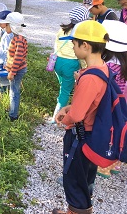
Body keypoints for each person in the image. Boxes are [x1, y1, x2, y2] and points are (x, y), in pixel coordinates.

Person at [53, 20, 110, 214]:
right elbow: (91, 102)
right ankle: (75, 210)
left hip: (80, 136)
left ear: (85, 46)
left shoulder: (89, 77)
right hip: (92, 135)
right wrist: (69, 106)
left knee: (74, 179)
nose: (73, 47)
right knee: (84, 177)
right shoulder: (103, 68)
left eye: (74, 43)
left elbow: (78, 115)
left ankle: (77, 210)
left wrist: (65, 119)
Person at [95, 20, 127, 178]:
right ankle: (116, 164)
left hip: (109, 103)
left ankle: (104, 166)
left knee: (107, 132)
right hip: (123, 103)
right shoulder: (124, 63)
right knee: (120, 129)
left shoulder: (107, 65)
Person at [48, 5, 89, 124]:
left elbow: (56, 45)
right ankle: (57, 117)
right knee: (65, 91)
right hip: (70, 64)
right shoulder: (80, 34)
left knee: (63, 86)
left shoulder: (62, 29)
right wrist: (86, 67)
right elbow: (81, 53)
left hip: (58, 62)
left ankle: (61, 104)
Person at [4, 12, 27, 121]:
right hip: (16, 69)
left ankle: (13, 115)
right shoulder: (18, 38)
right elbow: (13, 56)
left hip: (17, 71)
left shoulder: (18, 39)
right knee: (14, 91)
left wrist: (12, 72)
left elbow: (18, 58)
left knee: (14, 92)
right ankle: (13, 110)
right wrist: (7, 66)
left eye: (7, 24)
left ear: (13, 26)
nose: (5, 27)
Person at [0, 10, 13, 94]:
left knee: (3, 76)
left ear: (8, 23)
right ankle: (2, 92)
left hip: (5, 61)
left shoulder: (10, 35)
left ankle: (3, 93)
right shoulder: (5, 32)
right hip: (1, 60)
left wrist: (6, 63)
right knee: (1, 76)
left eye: (1, 22)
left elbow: (8, 51)